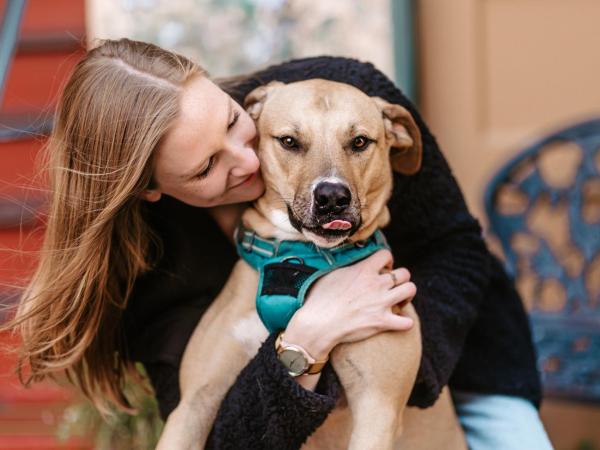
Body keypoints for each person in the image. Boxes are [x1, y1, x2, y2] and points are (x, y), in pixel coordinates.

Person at [7, 38, 551, 449]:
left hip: (466, 351)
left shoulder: (348, 97)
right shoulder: (154, 260)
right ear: (152, 189)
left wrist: (396, 360)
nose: (247, 162)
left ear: (242, 100)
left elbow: (455, 243)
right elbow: (221, 434)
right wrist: (307, 342)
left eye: (232, 121)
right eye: (205, 168)